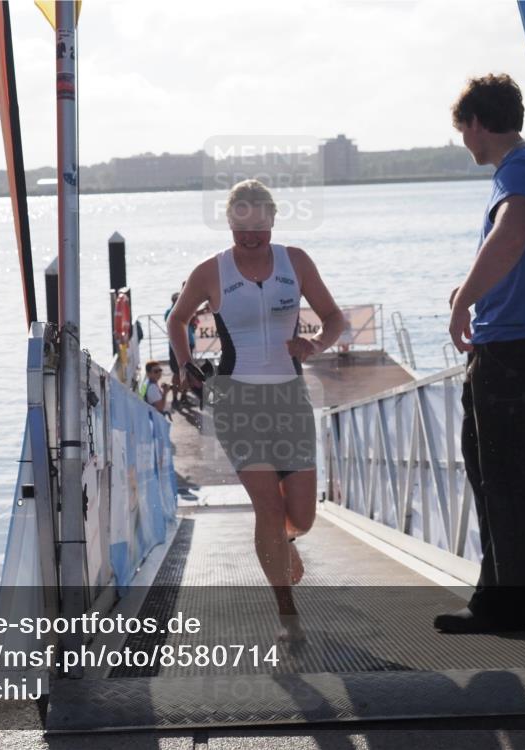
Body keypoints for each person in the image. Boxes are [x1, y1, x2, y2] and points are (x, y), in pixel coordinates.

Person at [167, 179, 346, 642]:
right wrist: (185, 363)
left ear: (272, 221)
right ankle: (287, 615)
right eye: (240, 232)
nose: (249, 241)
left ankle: (286, 542)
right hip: (236, 399)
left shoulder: (297, 261)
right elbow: (177, 319)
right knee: (267, 506)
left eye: (259, 232)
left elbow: (334, 317)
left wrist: (317, 344)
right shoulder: (212, 271)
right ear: (229, 224)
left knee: (300, 516)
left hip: (288, 396)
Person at [435, 73, 525, 634]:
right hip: (520, 339)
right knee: (493, 468)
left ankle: (508, 605)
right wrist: (471, 293)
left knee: (502, 471)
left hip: (513, 344)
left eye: (462, 129)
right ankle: (504, 595)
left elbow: (511, 234)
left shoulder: (518, 170)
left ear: (477, 123)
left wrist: (465, 299)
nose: (464, 141)